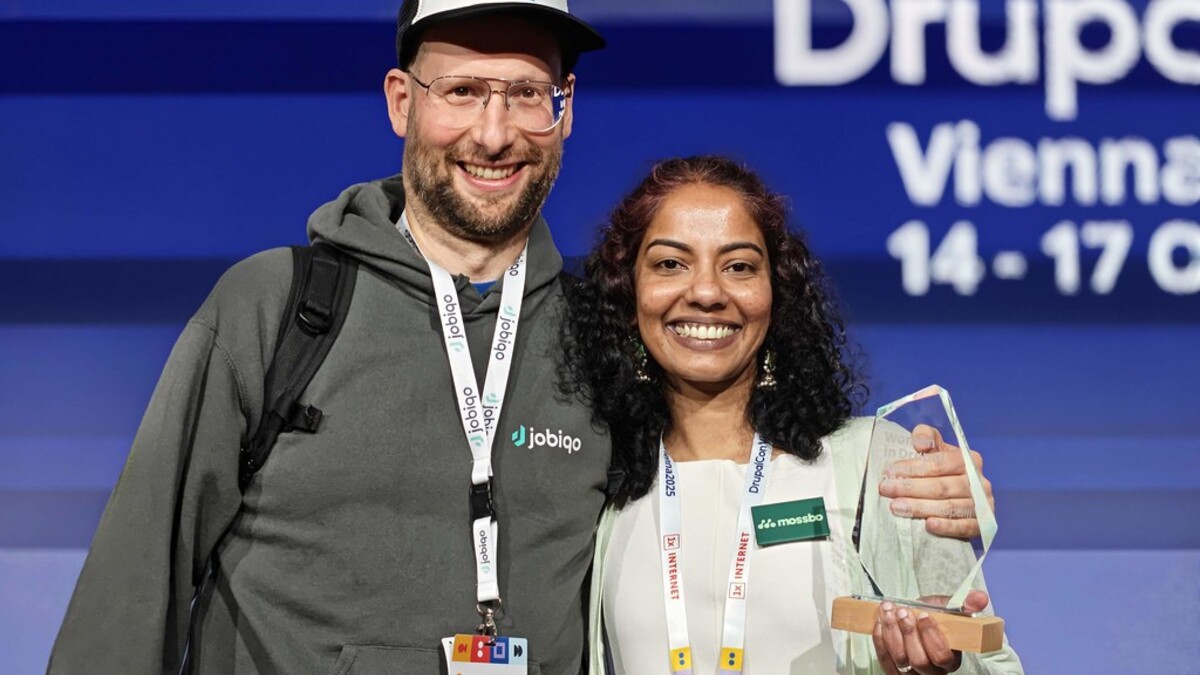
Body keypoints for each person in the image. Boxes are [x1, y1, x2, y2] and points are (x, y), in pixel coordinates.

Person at [48, 3, 998, 673]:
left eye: (525, 94)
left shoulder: (600, 334)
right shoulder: (278, 308)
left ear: (566, 111)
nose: (494, 132)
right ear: (400, 101)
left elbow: (734, 461)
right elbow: (134, 586)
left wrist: (920, 495)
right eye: (461, 91)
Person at [560, 156, 1023, 674]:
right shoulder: (596, 480)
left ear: (776, 293)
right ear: (628, 293)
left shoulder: (879, 468)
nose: (707, 292)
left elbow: (990, 663)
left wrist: (932, 669)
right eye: (671, 263)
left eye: (739, 266)